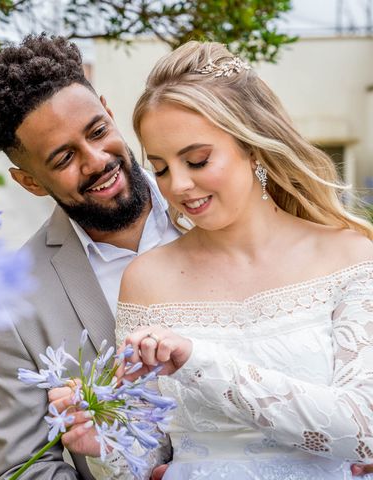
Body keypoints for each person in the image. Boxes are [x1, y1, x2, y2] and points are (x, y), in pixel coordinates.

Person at [50, 40, 373, 479]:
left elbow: (364, 430)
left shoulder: (350, 255)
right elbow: (148, 457)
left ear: (254, 146)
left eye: (197, 160)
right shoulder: (146, 280)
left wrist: (198, 361)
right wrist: (105, 444)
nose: (178, 186)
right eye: (160, 168)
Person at [0, 34, 181, 479]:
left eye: (98, 131)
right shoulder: (12, 305)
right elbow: (23, 469)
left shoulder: (214, 206)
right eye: (63, 158)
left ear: (109, 111)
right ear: (30, 182)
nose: (97, 160)